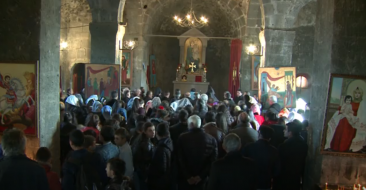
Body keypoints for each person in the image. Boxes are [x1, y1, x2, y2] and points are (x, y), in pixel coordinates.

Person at [177, 115, 218, 190]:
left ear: (191, 124)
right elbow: (213, 160)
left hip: (185, 179)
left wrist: (188, 176)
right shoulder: (211, 139)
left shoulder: (182, 138)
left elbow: (180, 158)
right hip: (202, 180)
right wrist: (201, 176)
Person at [243, 126, 280, 190]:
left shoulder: (249, 147)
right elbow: (276, 170)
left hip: (250, 182)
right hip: (265, 183)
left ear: (259, 133)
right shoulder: (274, 151)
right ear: (270, 138)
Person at [273, 121, 308, 190]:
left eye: (286, 129)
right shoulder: (304, 145)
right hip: (296, 178)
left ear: (290, 132)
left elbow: (278, 163)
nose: (284, 131)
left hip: (283, 178)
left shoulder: (284, 146)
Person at [148, 123, 173, 190]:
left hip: (159, 182)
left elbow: (160, 168)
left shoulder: (160, 148)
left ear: (157, 133)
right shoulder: (169, 142)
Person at [132, 122, 155, 190]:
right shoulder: (145, 145)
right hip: (143, 173)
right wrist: (145, 176)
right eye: (150, 130)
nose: (153, 132)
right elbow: (144, 162)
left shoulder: (141, 140)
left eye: (154, 130)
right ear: (145, 131)